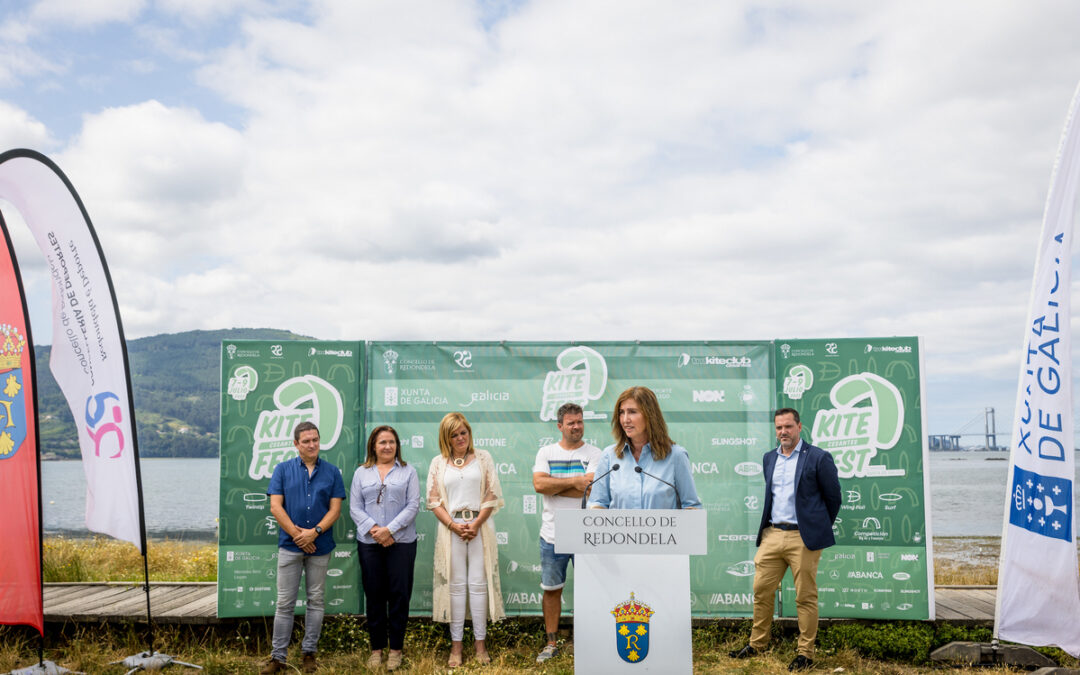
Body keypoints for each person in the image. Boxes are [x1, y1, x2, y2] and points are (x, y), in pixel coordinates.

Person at [729, 408, 842, 672]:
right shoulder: (769, 458)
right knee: (761, 591)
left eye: (788, 427)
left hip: (803, 537)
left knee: (805, 597)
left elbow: (834, 499)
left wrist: (815, 527)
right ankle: (758, 645)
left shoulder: (818, 457)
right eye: (779, 427)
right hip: (772, 534)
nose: (783, 432)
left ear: (799, 427)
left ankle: (806, 653)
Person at [261, 421, 346, 674]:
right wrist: (300, 535)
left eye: (316, 439)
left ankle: (309, 653)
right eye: (306, 441)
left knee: (316, 601)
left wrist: (315, 533)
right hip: (290, 545)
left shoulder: (332, 472)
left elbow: (335, 510)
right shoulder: (282, 470)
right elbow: (276, 507)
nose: (312, 444)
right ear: (296, 444)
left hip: (320, 546)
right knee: (285, 603)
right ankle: (278, 658)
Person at [426, 412, 506, 668]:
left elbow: (492, 494)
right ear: (446, 438)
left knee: (479, 585)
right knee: (456, 587)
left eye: (464, 432)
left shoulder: (483, 458)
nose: (461, 438)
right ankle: (456, 647)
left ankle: (480, 645)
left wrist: (475, 524)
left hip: (480, 527)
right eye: (454, 434)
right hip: (451, 530)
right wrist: (453, 525)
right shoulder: (438, 463)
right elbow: (434, 501)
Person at [531, 403, 601, 663]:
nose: (577, 426)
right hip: (552, 534)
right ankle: (551, 643)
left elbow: (592, 489)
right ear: (560, 426)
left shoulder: (596, 453)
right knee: (552, 589)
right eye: (571, 423)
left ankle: (590, 641)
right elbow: (539, 484)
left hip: (586, 534)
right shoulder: (546, 452)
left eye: (580, 421)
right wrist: (574, 481)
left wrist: (556, 485)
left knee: (591, 589)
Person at [349, 425, 419, 672]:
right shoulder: (361, 473)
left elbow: (413, 506)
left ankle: (396, 650)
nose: (387, 446)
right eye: (382, 442)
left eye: (391, 442)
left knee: (400, 596)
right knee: (375, 595)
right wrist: (376, 531)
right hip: (370, 543)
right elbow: (355, 508)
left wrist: (390, 530)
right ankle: (376, 649)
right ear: (373, 446)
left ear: (397, 445)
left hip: (402, 543)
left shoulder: (408, 472)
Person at [587, 386, 701, 510]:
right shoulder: (609, 455)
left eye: (632, 412)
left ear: (650, 415)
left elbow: (691, 506)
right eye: (621, 412)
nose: (625, 420)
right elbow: (597, 502)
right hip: (619, 530)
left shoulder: (676, 455)